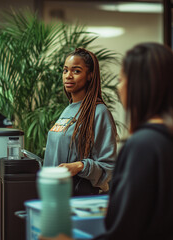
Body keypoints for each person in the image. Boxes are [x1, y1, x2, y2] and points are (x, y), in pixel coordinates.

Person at [40, 43, 173, 240]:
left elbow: (125, 232)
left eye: (121, 79)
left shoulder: (144, 145)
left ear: (138, 86)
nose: (118, 87)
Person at [43, 48, 117, 196]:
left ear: (90, 76)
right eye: (65, 71)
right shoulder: (68, 110)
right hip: (52, 193)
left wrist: (79, 166)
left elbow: (109, 167)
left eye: (76, 71)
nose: (68, 76)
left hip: (77, 197)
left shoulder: (99, 111)